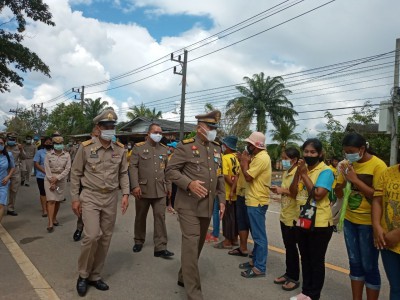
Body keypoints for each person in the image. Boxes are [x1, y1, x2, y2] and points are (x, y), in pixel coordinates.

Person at [165, 110, 226, 300]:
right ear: (199, 128)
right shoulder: (185, 147)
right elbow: (170, 171)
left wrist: (222, 200)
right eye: (210, 127)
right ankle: (194, 294)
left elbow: (220, 176)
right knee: (191, 245)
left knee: (197, 246)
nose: (213, 131)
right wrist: (189, 183)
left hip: (207, 206)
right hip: (188, 205)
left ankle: (184, 276)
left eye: (215, 127)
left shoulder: (216, 148)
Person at [70, 109, 129, 297]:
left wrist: (126, 194)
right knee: (92, 235)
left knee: (105, 237)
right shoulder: (86, 147)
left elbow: (123, 173)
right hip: (90, 196)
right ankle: (83, 275)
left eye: (113, 126)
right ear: (98, 127)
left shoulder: (120, 149)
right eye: (106, 126)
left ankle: (95, 275)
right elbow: (76, 173)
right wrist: (75, 198)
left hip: (111, 197)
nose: (110, 129)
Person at [335, 133, 386, 300]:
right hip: (350, 220)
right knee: (354, 264)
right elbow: (339, 193)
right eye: (345, 152)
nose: (347, 155)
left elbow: (379, 198)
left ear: (362, 149)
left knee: (369, 266)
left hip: (369, 223)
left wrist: (355, 180)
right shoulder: (349, 165)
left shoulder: (378, 166)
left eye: (351, 151)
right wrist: (342, 179)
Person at [288, 138, 334, 300]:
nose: (309, 154)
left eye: (312, 152)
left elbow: (318, 195)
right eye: (306, 151)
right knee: (305, 258)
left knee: (316, 260)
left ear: (320, 154)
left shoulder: (326, 171)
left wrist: (304, 175)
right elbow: (293, 193)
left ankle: (314, 295)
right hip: (303, 219)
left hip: (320, 223)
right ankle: (305, 292)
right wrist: (298, 174)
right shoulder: (302, 169)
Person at [129, 123, 174, 258]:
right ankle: (138, 240)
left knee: (160, 217)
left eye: (160, 132)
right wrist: (135, 186)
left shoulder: (164, 150)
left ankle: (160, 247)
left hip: (160, 190)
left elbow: (168, 170)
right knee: (140, 216)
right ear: (148, 133)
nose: (159, 135)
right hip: (142, 189)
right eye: (156, 132)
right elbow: (133, 167)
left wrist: (169, 187)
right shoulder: (139, 148)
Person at [238, 132, 272, 279]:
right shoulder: (258, 157)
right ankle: (255, 261)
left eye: (250, 144)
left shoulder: (262, 158)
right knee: (257, 235)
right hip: (253, 199)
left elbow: (248, 176)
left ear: (256, 146)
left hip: (257, 200)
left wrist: (244, 163)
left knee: (259, 236)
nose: (248, 147)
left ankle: (260, 267)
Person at [271, 147, 301, 291]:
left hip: (294, 216)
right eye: (282, 158)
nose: (283, 161)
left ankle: (294, 278)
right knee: (288, 247)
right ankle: (289, 273)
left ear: (294, 160)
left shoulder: (298, 173)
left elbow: (296, 193)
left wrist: (282, 190)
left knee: (293, 249)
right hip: (285, 214)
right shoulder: (286, 173)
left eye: (285, 159)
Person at [372, 164, 400, 300]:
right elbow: (377, 200)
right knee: (396, 288)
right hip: (387, 241)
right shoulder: (388, 172)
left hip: (393, 237)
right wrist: (377, 226)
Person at [213, 135, 239, 250]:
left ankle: (227, 241)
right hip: (235, 193)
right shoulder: (237, 157)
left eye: (224, 145)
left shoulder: (225, 158)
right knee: (233, 217)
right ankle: (234, 239)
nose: (222, 147)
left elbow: (225, 175)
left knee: (227, 218)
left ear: (227, 146)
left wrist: (231, 187)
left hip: (227, 192)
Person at [44, 135, 71, 232]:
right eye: (56, 144)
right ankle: (50, 222)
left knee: (58, 200)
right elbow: (46, 168)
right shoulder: (48, 155)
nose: (58, 145)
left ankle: (54, 217)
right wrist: (52, 180)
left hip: (61, 180)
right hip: (49, 179)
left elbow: (67, 169)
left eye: (60, 144)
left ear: (62, 144)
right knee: (51, 200)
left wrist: (57, 178)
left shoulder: (67, 155)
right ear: (53, 144)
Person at [228, 150, 250, 257]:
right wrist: (232, 191)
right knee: (241, 223)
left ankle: (257, 252)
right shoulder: (240, 164)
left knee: (251, 224)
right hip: (240, 195)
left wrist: (245, 163)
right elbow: (237, 176)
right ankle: (243, 248)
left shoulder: (252, 162)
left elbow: (248, 177)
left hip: (249, 196)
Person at [6, 132, 25, 216]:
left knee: (13, 189)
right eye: (10, 139)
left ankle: (10, 208)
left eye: (13, 139)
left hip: (15, 170)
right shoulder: (3, 146)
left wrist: (21, 149)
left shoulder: (18, 147)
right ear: (7, 139)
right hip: (4, 169)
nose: (12, 140)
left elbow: (24, 157)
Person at [33, 137, 53, 217]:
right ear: (44, 143)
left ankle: (50, 208)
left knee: (51, 192)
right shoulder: (39, 152)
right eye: (47, 143)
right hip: (41, 176)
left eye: (50, 143)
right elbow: (36, 164)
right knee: (43, 193)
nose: (48, 144)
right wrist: (45, 171)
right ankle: (44, 210)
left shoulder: (54, 152)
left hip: (52, 176)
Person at [0, 136, 15, 222]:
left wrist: (8, 176)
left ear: (4, 144)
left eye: (1, 143)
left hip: (3, 184)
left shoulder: (8, 155)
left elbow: (12, 167)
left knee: (1, 205)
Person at [167, 141, 178, 213]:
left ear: (174, 148)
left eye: (171, 147)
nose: (169, 148)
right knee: (169, 191)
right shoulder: (170, 155)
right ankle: (170, 205)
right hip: (169, 177)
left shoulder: (175, 156)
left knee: (173, 192)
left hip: (173, 178)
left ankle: (172, 206)